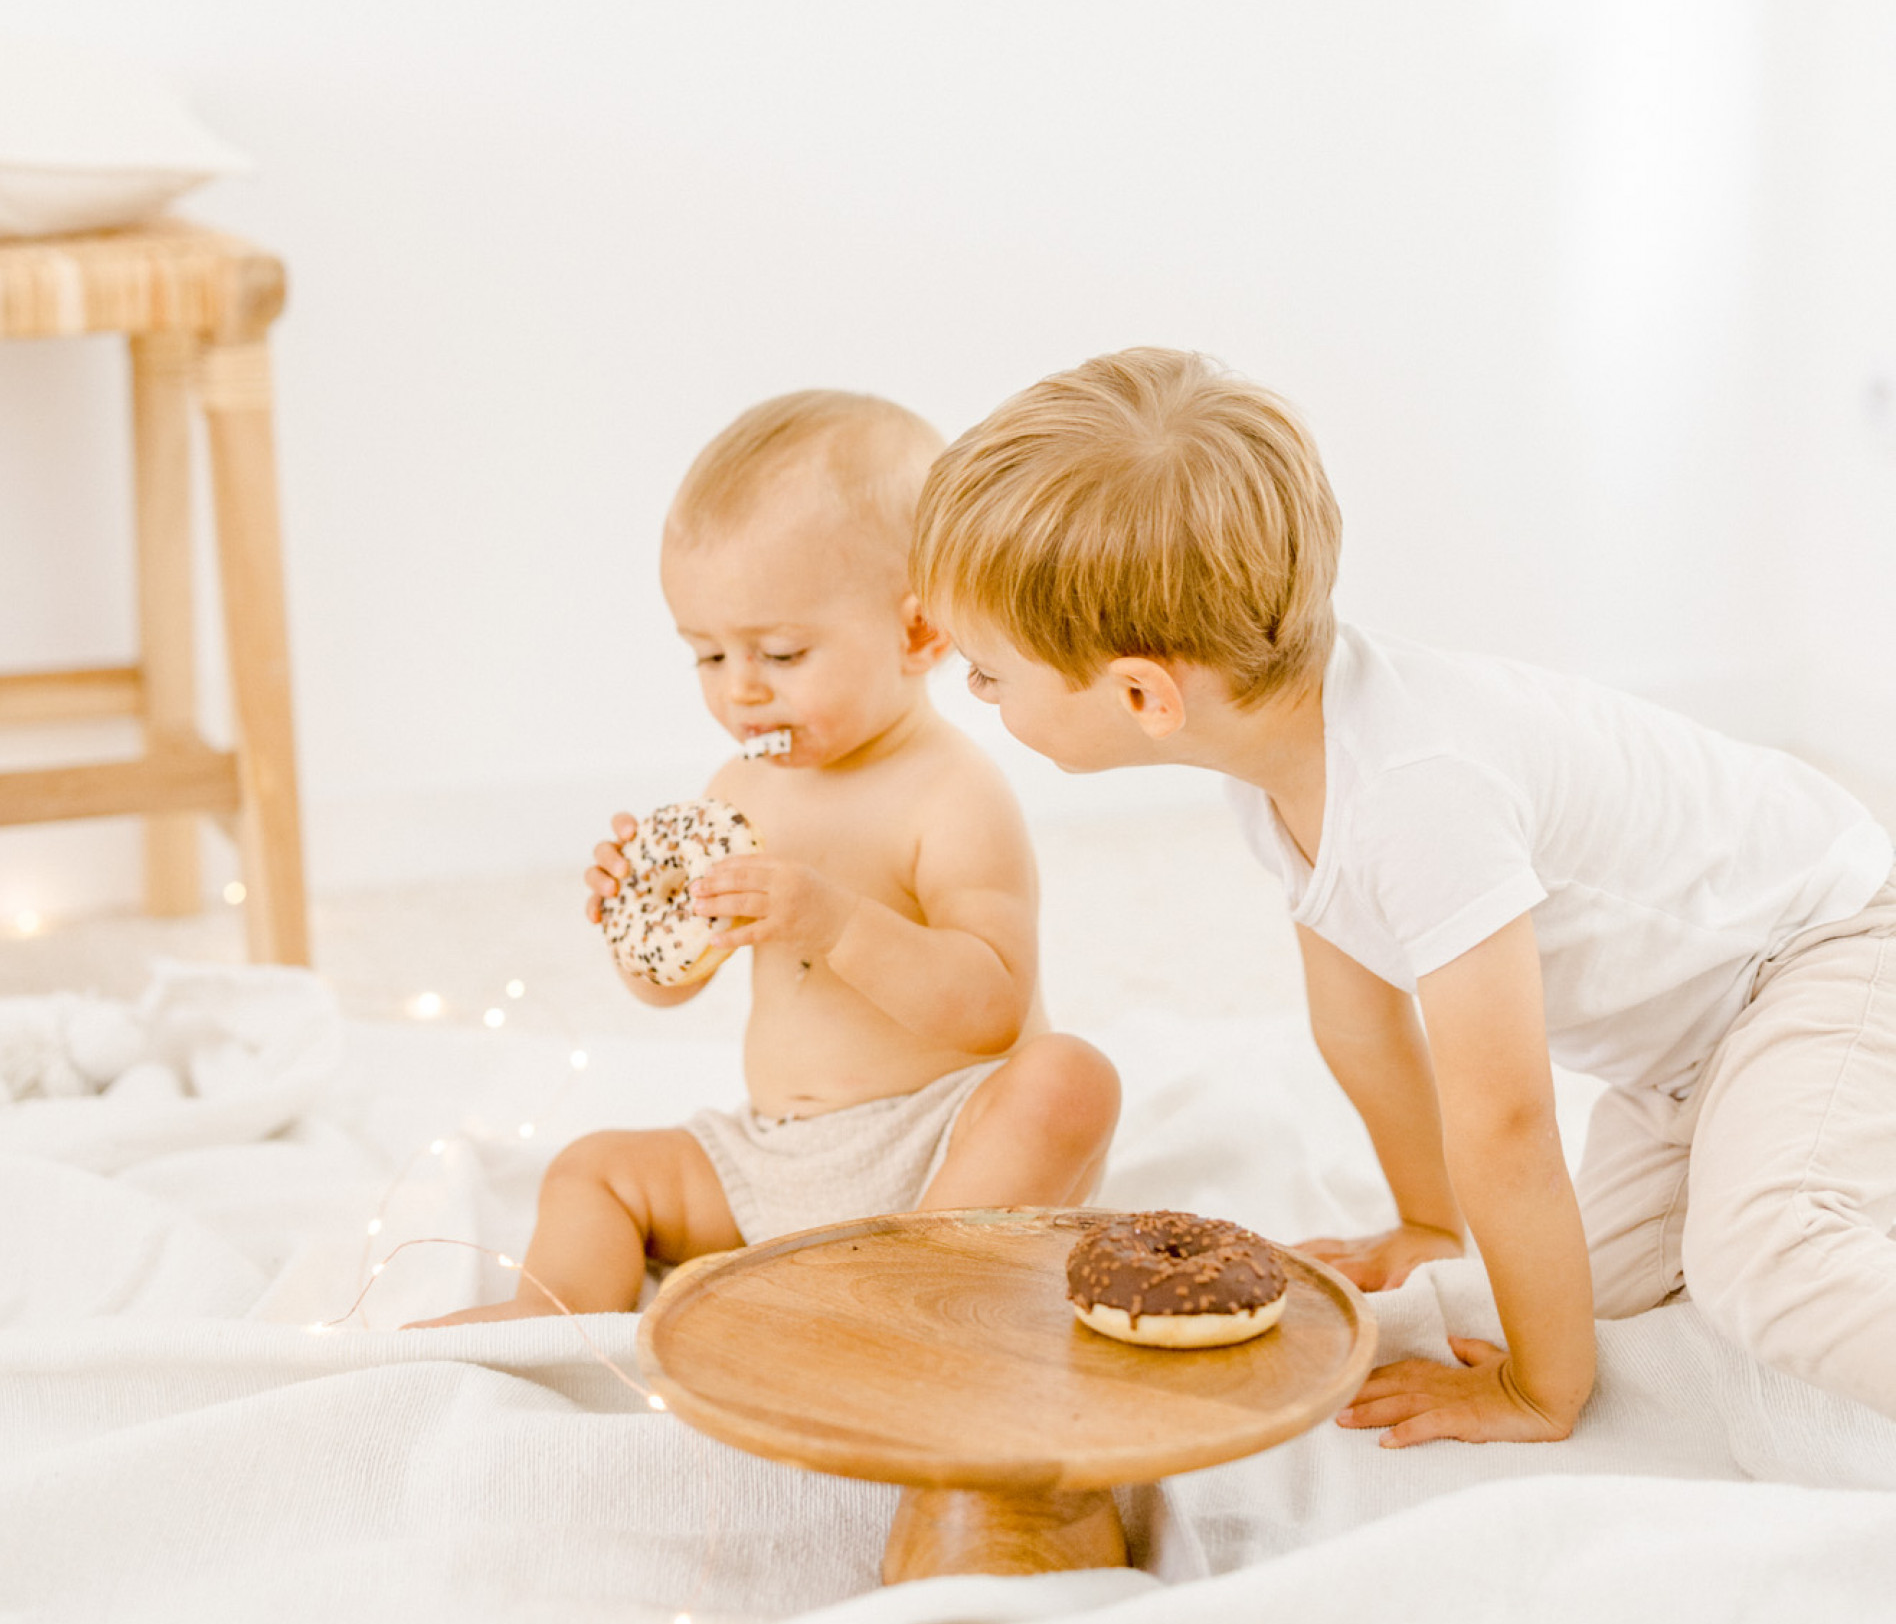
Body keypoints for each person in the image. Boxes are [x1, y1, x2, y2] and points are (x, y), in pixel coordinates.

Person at [910, 346, 1896, 1441]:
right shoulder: (1279, 766)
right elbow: (1363, 1026)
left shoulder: (1420, 795)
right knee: (1570, 1290)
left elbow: (1509, 1120)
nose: (978, 694)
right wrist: (1430, 1223)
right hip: (1690, 1052)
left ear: (1144, 692)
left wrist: (1539, 1387)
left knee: (1762, 1259)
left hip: (1829, 950)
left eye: (988, 673)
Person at [418, 389, 1119, 1324]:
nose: (740, 691)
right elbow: (671, 987)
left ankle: (916, 1292)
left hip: (939, 1143)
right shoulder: (739, 789)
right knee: (592, 1168)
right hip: (775, 1154)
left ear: (917, 633)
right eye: (707, 656)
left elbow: (991, 1009)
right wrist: (640, 925)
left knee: (1068, 1080)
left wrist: (833, 920)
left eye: (781, 654)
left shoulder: (952, 792)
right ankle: (554, 1314)